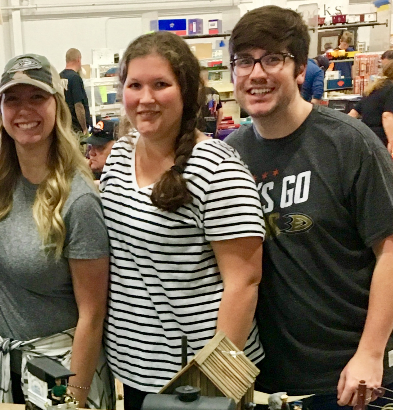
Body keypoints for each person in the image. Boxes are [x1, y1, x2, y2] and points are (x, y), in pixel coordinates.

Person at [225, 6, 393, 410]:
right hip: (272, 377)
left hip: (352, 376)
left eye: (272, 58)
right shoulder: (229, 157)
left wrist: (371, 353)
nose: (256, 74)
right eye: (244, 61)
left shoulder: (349, 143)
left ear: (300, 69)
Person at [100, 31, 265, 410]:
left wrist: (215, 385)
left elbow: (244, 281)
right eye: (134, 85)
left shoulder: (217, 169)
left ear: (186, 90)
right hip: (137, 366)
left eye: (161, 84)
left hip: (196, 376)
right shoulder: (121, 154)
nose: (145, 98)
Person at [0, 54, 115, 409]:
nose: (24, 110)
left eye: (37, 97)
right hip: (8, 367)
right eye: (13, 99)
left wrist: (75, 398)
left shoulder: (78, 200)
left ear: (57, 105)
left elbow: (93, 313)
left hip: (63, 372)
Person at [348, 59, 393, 153]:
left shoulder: (372, 88)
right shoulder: (392, 89)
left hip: (366, 136)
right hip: (380, 139)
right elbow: (387, 116)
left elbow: (353, 114)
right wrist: (392, 141)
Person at [59, 48, 92, 134]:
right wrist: (84, 128)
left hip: (64, 126)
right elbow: (78, 105)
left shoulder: (59, 77)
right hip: (76, 128)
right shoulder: (75, 78)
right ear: (78, 59)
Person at [199, 66, 224, 135]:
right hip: (212, 125)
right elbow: (221, 111)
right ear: (207, 78)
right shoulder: (214, 92)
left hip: (200, 126)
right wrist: (217, 126)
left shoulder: (197, 92)